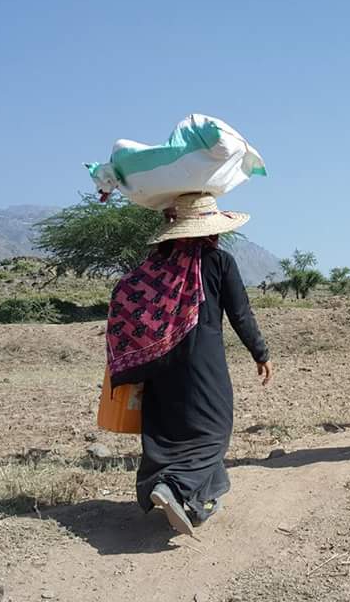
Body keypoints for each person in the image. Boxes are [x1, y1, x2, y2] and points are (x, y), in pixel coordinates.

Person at [107, 193, 272, 536]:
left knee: (169, 428)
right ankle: (173, 487)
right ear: (211, 228)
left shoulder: (157, 264)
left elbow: (124, 291)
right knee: (215, 428)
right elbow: (241, 314)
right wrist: (261, 353)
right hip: (202, 361)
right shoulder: (218, 261)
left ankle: (197, 500)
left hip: (158, 364)